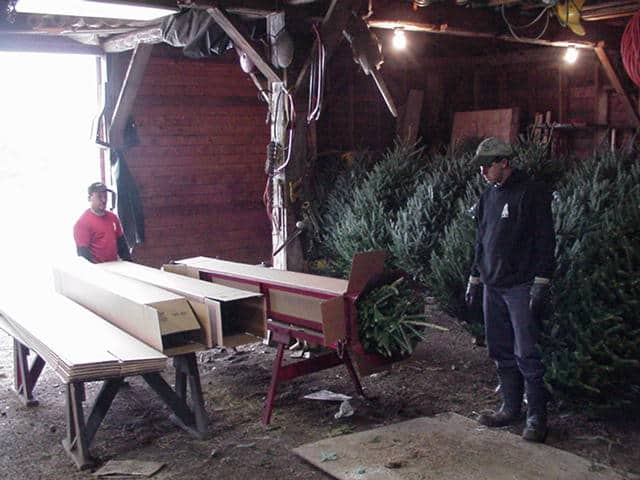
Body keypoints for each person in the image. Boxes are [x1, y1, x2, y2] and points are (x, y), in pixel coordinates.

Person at [465, 137, 555, 443]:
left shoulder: (530, 193)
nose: (482, 171)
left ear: (504, 162)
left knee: (526, 352)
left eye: (486, 165)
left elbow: (545, 239)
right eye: (479, 166)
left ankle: (537, 418)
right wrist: (475, 276)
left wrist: (542, 281)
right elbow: (481, 240)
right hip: (493, 286)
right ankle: (510, 408)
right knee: (499, 349)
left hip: (520, 286)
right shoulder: (488, 197)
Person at [73, 181, 131, 263]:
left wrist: (129, 264)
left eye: (105, 196)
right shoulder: (82, 223)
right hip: (98, 269)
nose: (104, 200)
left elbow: (122, 245)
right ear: (89, 198)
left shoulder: (113, 218)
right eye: (99, 197)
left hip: (115, 266)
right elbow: (83, 255)